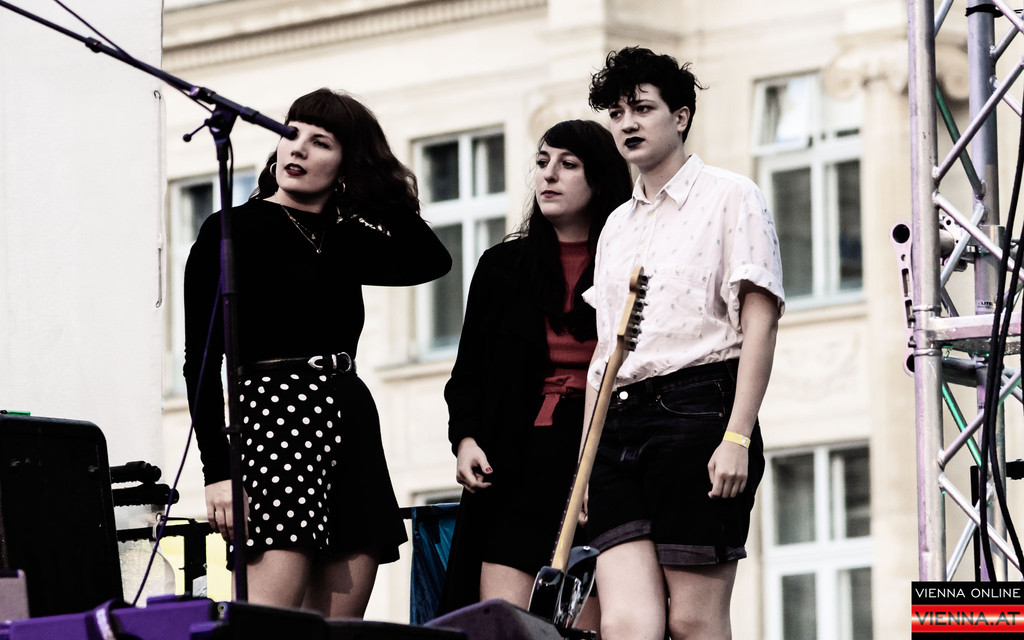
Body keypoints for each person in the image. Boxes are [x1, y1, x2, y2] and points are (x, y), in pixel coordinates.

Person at [182, 88, 451, 616]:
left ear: (347, 162)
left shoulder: (345, 237)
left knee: (339, 627)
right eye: (290, 133)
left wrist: (374, 187)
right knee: (271, 623)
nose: (298, 148)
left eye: (321, 142)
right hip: (274, 417)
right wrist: (218, 471)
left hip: (348, 412)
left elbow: (429, 259)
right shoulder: (232, 229)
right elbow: (200, 362)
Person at [581, 47, 785, 640]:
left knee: (694, 621)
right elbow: (603, 355)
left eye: (642, 108)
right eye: (617, 113)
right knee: (627, 623)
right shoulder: (616, 225)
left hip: (697, 410)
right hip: (616, 423)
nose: (627, 123)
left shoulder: (731, 195)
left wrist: (737, 436)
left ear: (681, 116)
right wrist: (584, 463)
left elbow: (760, 322)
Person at [439, 120, 632, 625]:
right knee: (504, 621)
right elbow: (469, 369)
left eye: (568, 165)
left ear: (600, 180)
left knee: (583, 622)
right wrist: (466, 438)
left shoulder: (628, 263)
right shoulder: (502, 265)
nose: (548, 175)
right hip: (515, 458)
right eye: (543, 162)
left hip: (600, 456)